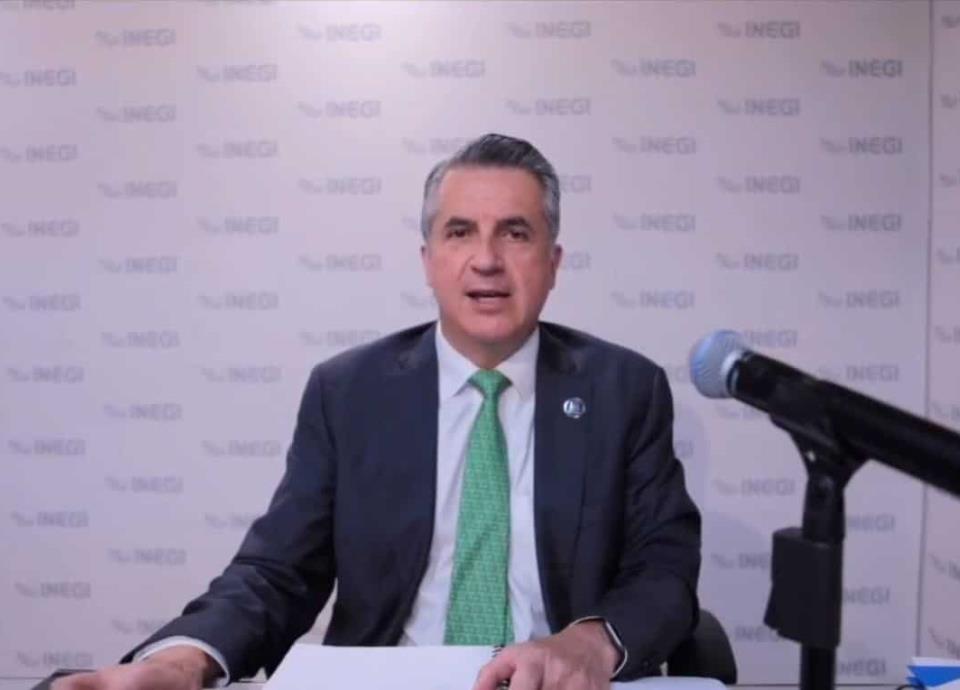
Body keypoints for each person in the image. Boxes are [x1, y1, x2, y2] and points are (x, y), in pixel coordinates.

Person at [55, 134, 700, 690]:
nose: (486, 260)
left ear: (553, 263)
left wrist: (591, 642)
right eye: (459, 232)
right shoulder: (349, 393)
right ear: (428, 262)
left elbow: (664, 570)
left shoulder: (624, 391)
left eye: (515, 232)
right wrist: (183, 661)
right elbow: (278, 572)